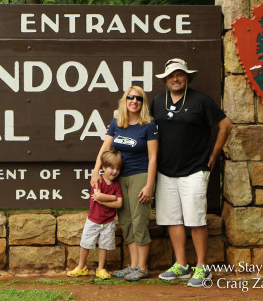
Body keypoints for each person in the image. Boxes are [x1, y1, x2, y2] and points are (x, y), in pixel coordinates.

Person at [150, 58, 232, 287]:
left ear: (186, 77)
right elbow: (147, 129)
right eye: (171, 75)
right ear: (165, 79)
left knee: (195, 219)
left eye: (180, 74)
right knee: (172, 219)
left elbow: (226, 125)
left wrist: (215, 153)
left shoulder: (201, 100)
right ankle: (182, 265)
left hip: (195, 169)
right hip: (166, 171)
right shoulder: (157, 102)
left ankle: (202, 267)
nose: (176, 78)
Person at [91, 86, 159, 281]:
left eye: (138, 98)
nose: (134, 101)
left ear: (142, 102)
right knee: (127, 222)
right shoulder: (116, 123)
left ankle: (143, 267)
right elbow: (105, 149)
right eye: (130, 97)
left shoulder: (149, 125)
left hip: (140, 175)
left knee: (139, 221)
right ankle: (133, 265)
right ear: (125, 100)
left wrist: (148, 185)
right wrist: (96, 171)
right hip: (120, 177)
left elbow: (153, 157)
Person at [67, 149, 123, 279]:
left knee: (104, 245)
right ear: (103, 167)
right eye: (111, 168)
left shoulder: (116, 185)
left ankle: (101, 268)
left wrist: (107, 200)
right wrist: (113, 197)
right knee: (86, 243)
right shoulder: (98, 180)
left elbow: (119, 204)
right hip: (93, 220)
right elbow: (97, 195)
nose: (114, 171)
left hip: (108, 222)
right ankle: (81, 267)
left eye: (117, 169)